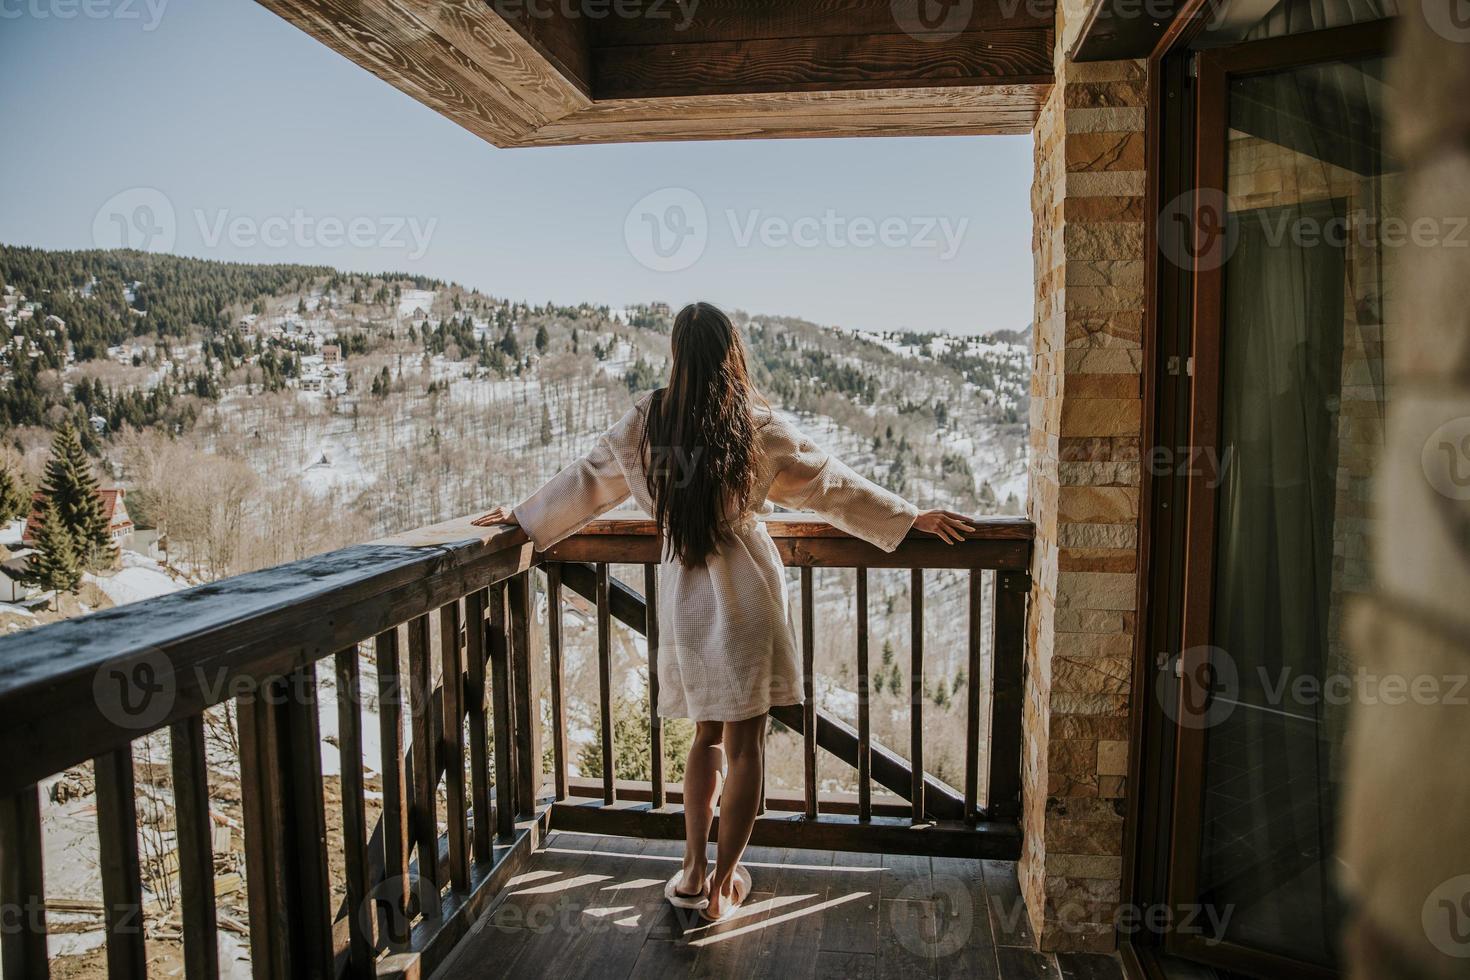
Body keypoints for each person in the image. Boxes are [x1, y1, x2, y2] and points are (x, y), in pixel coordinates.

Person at [473, 302, 974, 922]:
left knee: (705, 734)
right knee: (746, 745)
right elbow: (829, 483)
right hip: (747, 592)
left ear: (678, 354)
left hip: (684, 592)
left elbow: (589, 479)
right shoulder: (753, 423)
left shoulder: (648, 420)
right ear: (732, 352)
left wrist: (524, 520)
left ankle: (690, 871)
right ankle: (723, 887)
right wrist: (906, 517)